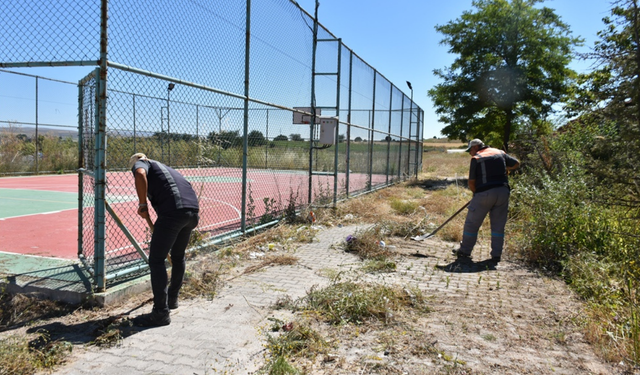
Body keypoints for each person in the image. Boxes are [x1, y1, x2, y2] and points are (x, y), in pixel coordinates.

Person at [129, 153, 200, 326]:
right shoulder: (164, 167)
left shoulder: (142, 163)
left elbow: (139, 174)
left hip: (173, 213)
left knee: (156, 260)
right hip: (192, 212)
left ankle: (160, 313)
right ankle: (172, 300)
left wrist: (142, 203)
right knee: (177, 256)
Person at [453, 139, 519, 263]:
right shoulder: (499, 152)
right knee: (498, 226)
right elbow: (516, 163)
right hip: (503, 192)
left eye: (470, 150)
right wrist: (506, 170)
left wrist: (476, 194)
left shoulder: (477, 158)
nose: (470, 153)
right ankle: (496, 255)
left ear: (476, 147)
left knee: (472, 224)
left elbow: (471, 182)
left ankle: (465, 251)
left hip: (484, 193)